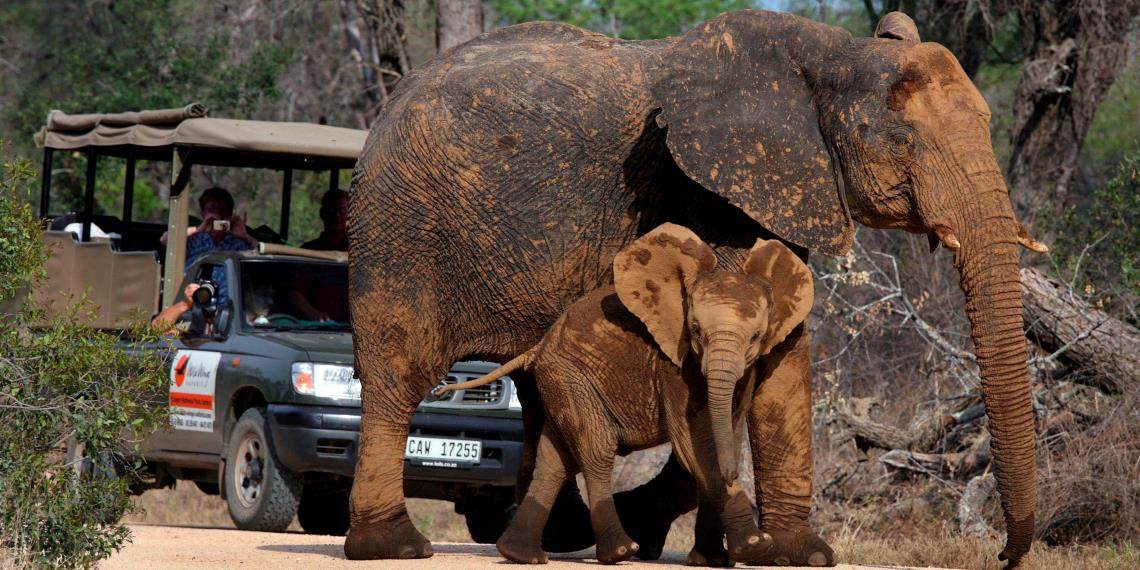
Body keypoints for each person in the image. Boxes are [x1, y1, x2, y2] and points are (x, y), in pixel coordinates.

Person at [186, 186, 258, 264]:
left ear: (230, 215)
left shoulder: (238, 243)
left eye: (223, 210)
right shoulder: (192, 240)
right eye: (211, 209)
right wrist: (198, 230)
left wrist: (246, 238)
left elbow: (264, 259)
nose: (218, 215)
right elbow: (172, 241)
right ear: (203, 214)